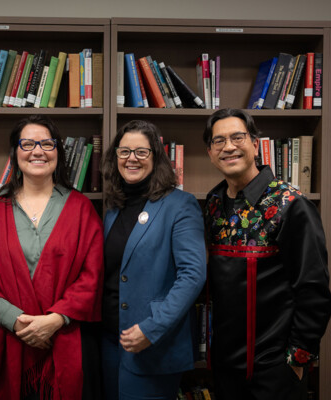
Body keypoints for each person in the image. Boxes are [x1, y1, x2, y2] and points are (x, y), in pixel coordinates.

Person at [203, 108, 331, 400]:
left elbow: (314, 292)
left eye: (238, 137)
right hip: (225, 366)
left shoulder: (290, 204)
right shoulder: (213, 205)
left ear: (255, 143)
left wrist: (296, 361)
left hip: (275, 369)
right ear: (210, 152)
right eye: (219, 141)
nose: (229, 147)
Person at [0, 115, 104, 400]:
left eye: (47, 143)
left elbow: (91, 277)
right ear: (15, 152)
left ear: (58, 151)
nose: (38, 151)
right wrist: (17, 321)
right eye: (28, 143)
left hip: (67, 337)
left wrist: (55, 320)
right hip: (9, 338)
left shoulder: (81, 209)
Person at [100, 119, 207, 400]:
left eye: (141, 152)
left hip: (152, 343)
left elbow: (192, 275)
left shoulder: (180, 205)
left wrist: (152, 328)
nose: (131, 159)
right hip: (110, 342)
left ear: (156, 158)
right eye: (124, 152)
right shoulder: (113, 207)